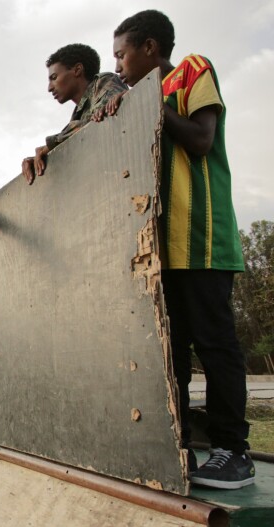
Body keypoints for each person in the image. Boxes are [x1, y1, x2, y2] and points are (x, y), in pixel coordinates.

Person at [96, 9, 252, 490]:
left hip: (200, 234)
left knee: (214, 344)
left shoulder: (191, 70)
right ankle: (177, 440)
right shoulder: (139, 98)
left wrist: (145, 104)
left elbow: (202, 141)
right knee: (172, 353)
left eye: (122, 54)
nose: (118, 64)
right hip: (159, 247)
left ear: (149, 47)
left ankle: (233, 450)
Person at [21, 43, 127, 184]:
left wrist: (49, 147)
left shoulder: (104, 81)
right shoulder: (79, 112)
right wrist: (45, 159)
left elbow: (101, 116)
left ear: (77, 70)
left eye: (54, 77)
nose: (49, 88)